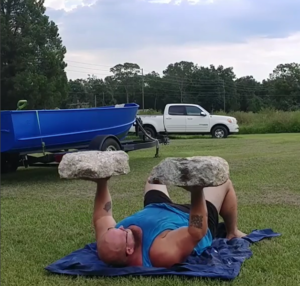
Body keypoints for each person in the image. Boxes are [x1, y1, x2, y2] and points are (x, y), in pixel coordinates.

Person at [92, 175, 246, 268]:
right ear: (129, 250)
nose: (121, 227)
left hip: (156, 207)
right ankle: (232, 231)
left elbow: (102, 217)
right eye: (122, 233)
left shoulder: (109, 241)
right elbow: (196, 231)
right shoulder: (160, 253)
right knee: (224, 182)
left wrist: (102, 182)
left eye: (114, 229)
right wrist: (197, 192)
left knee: (155, 176)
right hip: (190, 216)